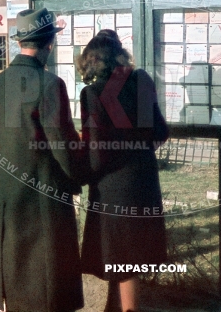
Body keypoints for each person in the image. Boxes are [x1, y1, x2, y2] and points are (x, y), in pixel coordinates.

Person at [0, 8, 84, 312]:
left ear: (19, 43)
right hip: (46, 190)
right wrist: (79, 177)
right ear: (49, 44)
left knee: (17, 267)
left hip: (10, 187)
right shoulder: (49, 84)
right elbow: (63, 145)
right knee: (49, 277)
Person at [77, 30, 169, 312]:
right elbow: (160, 131)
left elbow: (96, 149)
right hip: (144, 178)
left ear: (92, 62)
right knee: (128, 253)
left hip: (113, 185)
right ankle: (112, 307)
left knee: (119, 252)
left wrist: (81, 174)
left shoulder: (92, 94)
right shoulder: (141, 80)